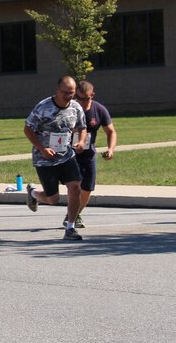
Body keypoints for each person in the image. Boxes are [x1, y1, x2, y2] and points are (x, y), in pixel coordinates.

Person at [23, 76, 87, 241]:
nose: (68, 96)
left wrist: (80, 141)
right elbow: (28, 129)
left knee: (75, 188)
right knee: (53, 199)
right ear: (57, 90)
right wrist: (42, 148)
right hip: (45, 159)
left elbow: (82, 127)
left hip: (67, 156)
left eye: (71, 93)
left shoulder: (76, 107)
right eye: (65, 92)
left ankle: (70, 227)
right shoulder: (43, 107)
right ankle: (34, 193)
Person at [70, 80, 116, 228]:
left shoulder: (99, 110)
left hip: (88, 154)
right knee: (75, 186)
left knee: (87, 188)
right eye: (80, 98)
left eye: (86, 98)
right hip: (70, 154)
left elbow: (111, 131)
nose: (83, 102)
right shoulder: (70, 109)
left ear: (93, 95)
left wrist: (110, 149)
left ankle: (75, 214)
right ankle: (72, 216)